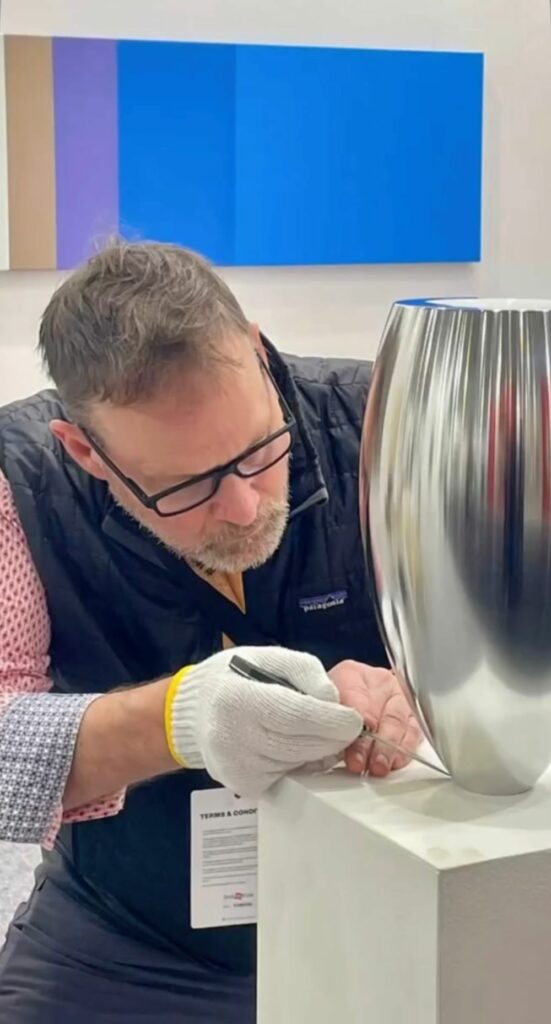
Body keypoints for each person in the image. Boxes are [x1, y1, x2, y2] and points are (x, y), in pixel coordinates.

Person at [0, 241, 421, 1022]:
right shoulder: (16, 487)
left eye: (258, 450)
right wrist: (180, 719)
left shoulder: (386, 421)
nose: (242, 506)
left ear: (258, 354)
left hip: (387, 907)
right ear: (86, 452)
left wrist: (425, 693)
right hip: (131, 935)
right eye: (182, 486)